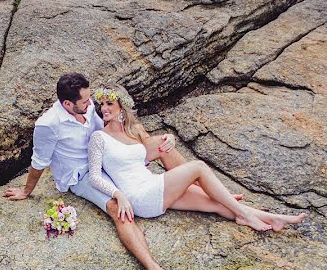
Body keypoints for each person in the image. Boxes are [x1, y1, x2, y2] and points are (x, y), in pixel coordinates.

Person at [3, 73, 193, 270]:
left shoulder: (87, 104)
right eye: (85, 101)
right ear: (67, 103)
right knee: (118, 210)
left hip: (107, 155)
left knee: (162, 144)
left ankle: (206, 190)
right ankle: (153, 268)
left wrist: (161, 138)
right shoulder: (48, 125)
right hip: (82, 175)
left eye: (89, 98)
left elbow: (117, 119)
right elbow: (39, 161)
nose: (91, 103)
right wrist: (27, 191)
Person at [88, 84, 308, 231]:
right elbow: (95, 177)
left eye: (109, 104)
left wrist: (170, 137)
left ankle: (269, 218)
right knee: (199, 167)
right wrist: (119, 195)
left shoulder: (133, 130)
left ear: (121, 107)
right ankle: (245, 214)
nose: (104, 108)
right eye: (102, 104)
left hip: (153, 185)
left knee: (216, 204)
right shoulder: (99, 137)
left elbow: (156, 145)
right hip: (139, 196)